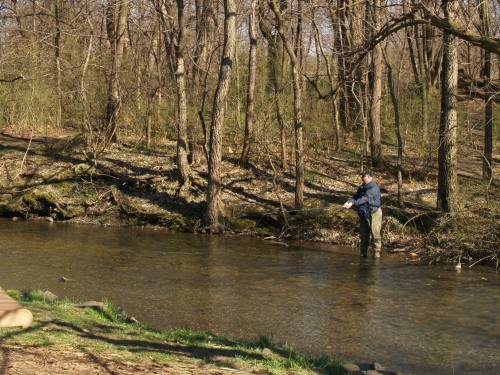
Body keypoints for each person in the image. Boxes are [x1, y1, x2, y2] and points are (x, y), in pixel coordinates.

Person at [343, 171, 382, 258]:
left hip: (374, 213)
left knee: (375, 235)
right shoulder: (362, 187)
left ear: (370, 177)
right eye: (363, 177)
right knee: (364, 235)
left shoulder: (374, 188)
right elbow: (356, 196)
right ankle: (363, 254)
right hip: (363, 213)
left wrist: (353, 204)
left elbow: (365, 199)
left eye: (365, 177)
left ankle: (376, 255)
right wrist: (350, 201)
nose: (363, 178)